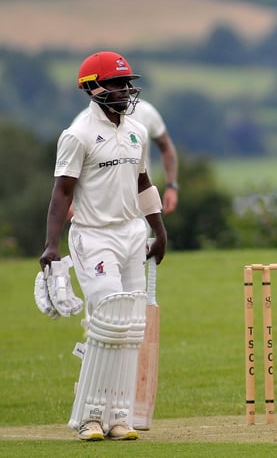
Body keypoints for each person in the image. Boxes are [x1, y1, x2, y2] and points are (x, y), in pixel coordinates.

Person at [39, 51, 167, 441]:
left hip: (132, 234)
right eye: (117, 84)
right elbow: (62, 192)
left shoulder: (136, 131)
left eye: (127, 83)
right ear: (93, 88)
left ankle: (120, 416)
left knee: (131, 327)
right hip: (93, 236)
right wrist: (51, 246)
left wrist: (159, 230)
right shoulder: (77, 134)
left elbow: (143, 182)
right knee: (107, 322)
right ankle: (91, 417)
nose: (126, 90)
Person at [73, 98, 179, 214]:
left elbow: (166, 147)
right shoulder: (83, 121)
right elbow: (72, 165)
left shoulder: (146, 112)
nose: (124, 87)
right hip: (97, 209)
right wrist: (72, 199)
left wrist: (171, 186)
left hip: (139, 205)